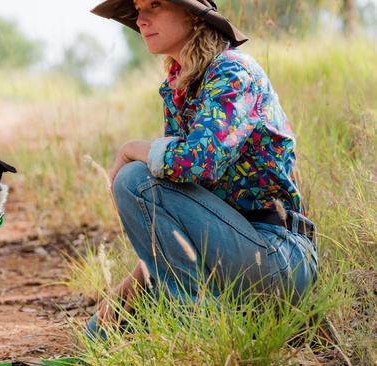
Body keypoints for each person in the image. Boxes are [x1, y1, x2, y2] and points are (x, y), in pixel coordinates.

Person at [86, 0, 318, 338]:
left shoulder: (233, 71)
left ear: (193, 16)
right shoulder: (181, 88)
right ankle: (201, 321)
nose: (141, 18)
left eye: (155, 4)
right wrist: (113, 307)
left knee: (134, 178)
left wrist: (131, 149)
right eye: (137, 8)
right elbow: (172, 221)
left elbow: (198, 162)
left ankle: (197, 330)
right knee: (102, 331)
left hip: (277, 257)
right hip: (231, 254)